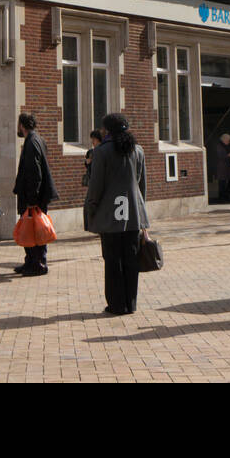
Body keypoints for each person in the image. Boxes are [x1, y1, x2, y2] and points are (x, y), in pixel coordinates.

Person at [85, 112, 150, 315]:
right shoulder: (137, 150)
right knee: (131, 260)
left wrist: (91, 209)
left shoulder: (102, 152)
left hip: (110, 213)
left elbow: (96, 186)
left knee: (113, 260)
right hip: (132, 212)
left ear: (107, 130)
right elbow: (141, 184)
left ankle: (116, 304)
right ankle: (130, 303)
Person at [13, 112, 57, 276]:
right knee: (32, 228)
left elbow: (34, 172)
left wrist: (32, 198)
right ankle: (31, 261)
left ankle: (37, 263)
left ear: (21, 125)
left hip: (33, 197)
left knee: (33, 229)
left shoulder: (31, 142)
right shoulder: (37, 139)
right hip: (37, 195)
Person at [215, 132, 230, 202]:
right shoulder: (219, 146)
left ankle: (225, 196)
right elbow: (221, 156)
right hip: (222, 167)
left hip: (227, 167)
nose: (229, 142)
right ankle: (223, 198)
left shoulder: (224, 146)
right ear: (224, 140)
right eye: (228, 140)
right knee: (223, 182)